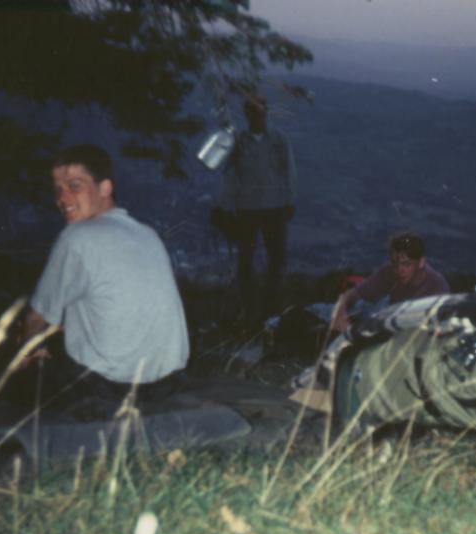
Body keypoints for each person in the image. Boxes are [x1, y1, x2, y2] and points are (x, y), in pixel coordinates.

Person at [17, 144, 189, 417]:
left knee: (16, 359)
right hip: (166, 383)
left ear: (105, 188)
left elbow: (36, 320)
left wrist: (26, 355)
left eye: (75, 186)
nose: (62, 198)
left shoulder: (76, 237)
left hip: (109, 388)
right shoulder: (147, 233)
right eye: (58, 189)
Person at [216, 95, 297, 327]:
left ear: (266, 113)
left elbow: (289, 171)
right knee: (245, 261)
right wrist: (225, 205)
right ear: (247, 114)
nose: (256, 116)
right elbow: (230, 176)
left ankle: (272, 308)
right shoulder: (239, 142)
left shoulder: (279, 140)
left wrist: (290, 200)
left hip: (275, 207)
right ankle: (250, 310)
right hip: (247, 209)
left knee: (277, 259)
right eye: (251, 112)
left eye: (259, 112)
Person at [332, 231, 450, 332]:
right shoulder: (389, 271)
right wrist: (340, 313)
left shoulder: (437, 287)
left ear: (421, 262)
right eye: (395, 263)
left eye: (406, 264)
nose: (399, 270)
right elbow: (352, 294)